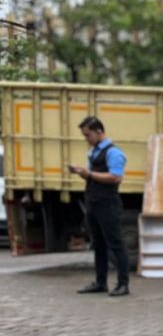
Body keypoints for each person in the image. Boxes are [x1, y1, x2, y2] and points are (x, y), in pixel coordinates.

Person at [69, 117, 130, 296]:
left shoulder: (113, 152)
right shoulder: (94, 152)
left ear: (99, 132)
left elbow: (115, 177)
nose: (86, 139)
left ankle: (123, 284)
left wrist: (89, 174)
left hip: (108, 203)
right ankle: (100, 282)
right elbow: (94, 175)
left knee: (116, 243)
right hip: (94, 203)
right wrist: (83, 173)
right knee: (99, 244)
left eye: (88, 135)